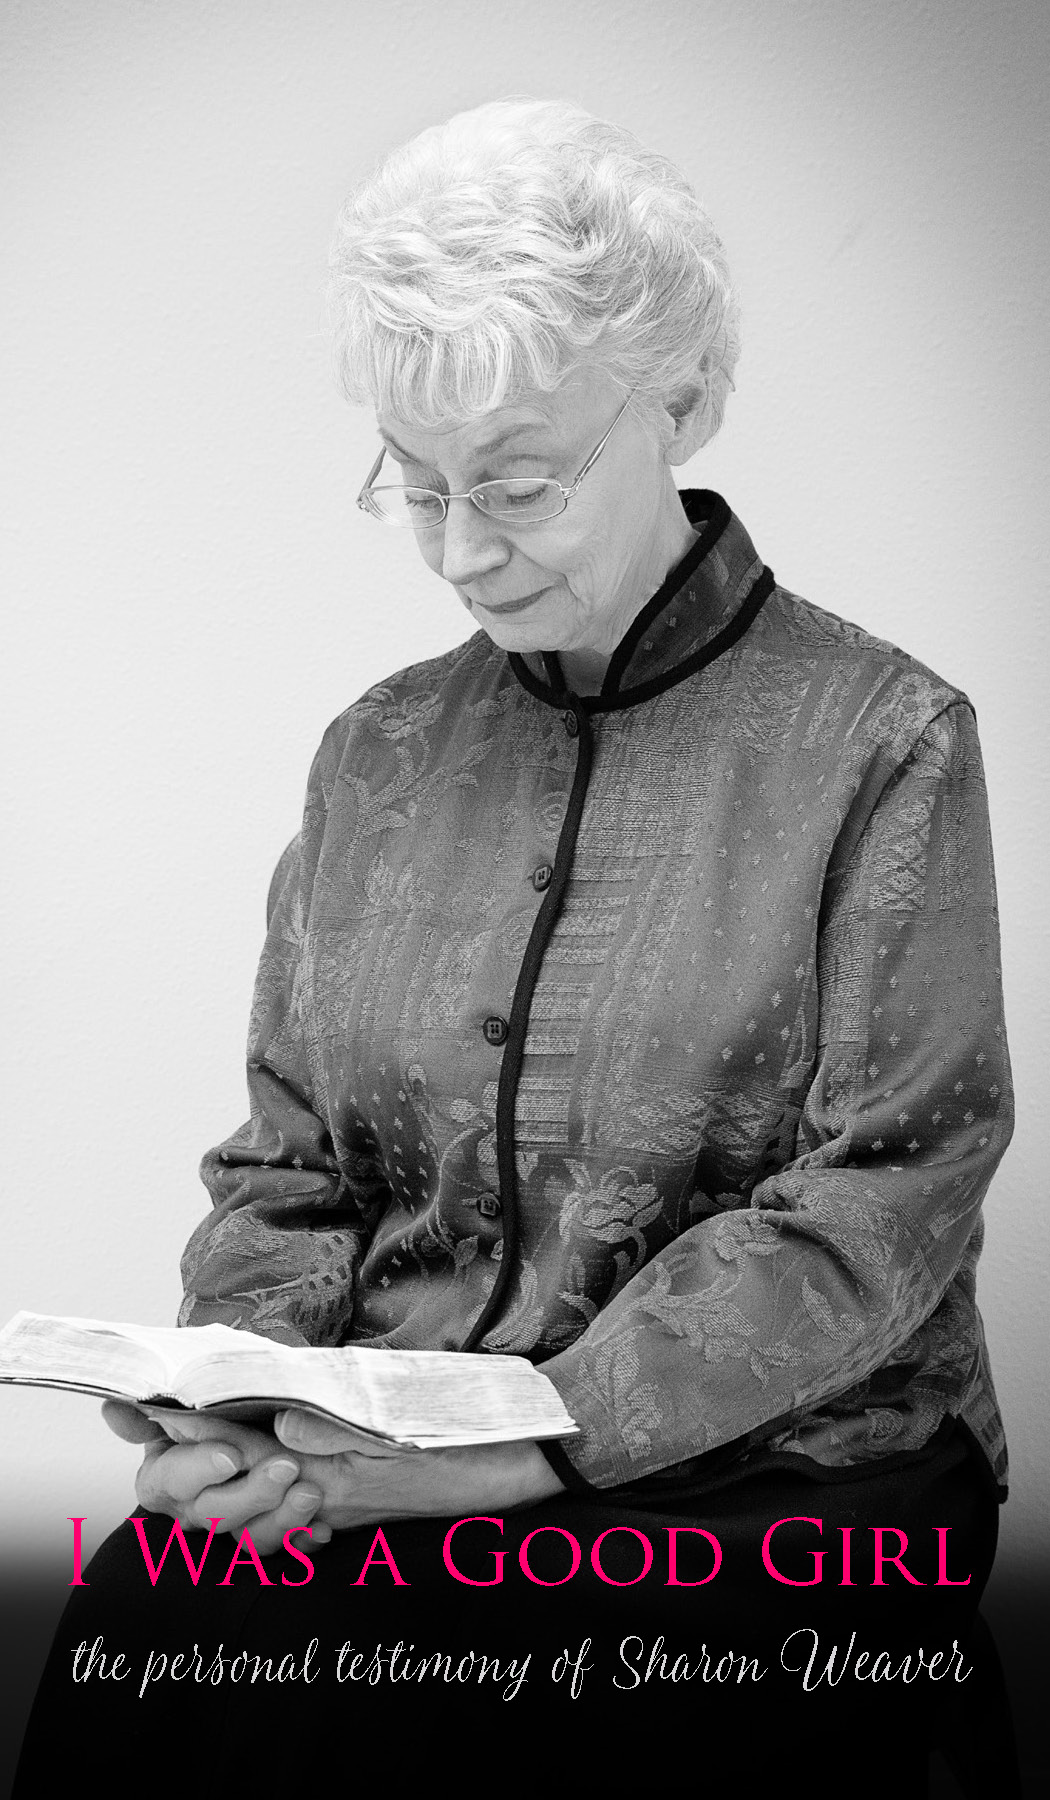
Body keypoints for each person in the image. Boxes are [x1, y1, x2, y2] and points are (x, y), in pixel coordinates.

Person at [16, 99, 1017, 1796]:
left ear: (678, 405)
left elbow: (880, 1197)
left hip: (785, 1479)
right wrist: (245, 1410)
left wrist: (526, 1454)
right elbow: (289, 1165)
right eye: (418, 487)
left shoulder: (880, 741)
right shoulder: (379, 750)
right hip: (381, 1442)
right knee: (142, 1627)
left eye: (519, 482)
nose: (464, 548)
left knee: (415, 1718)